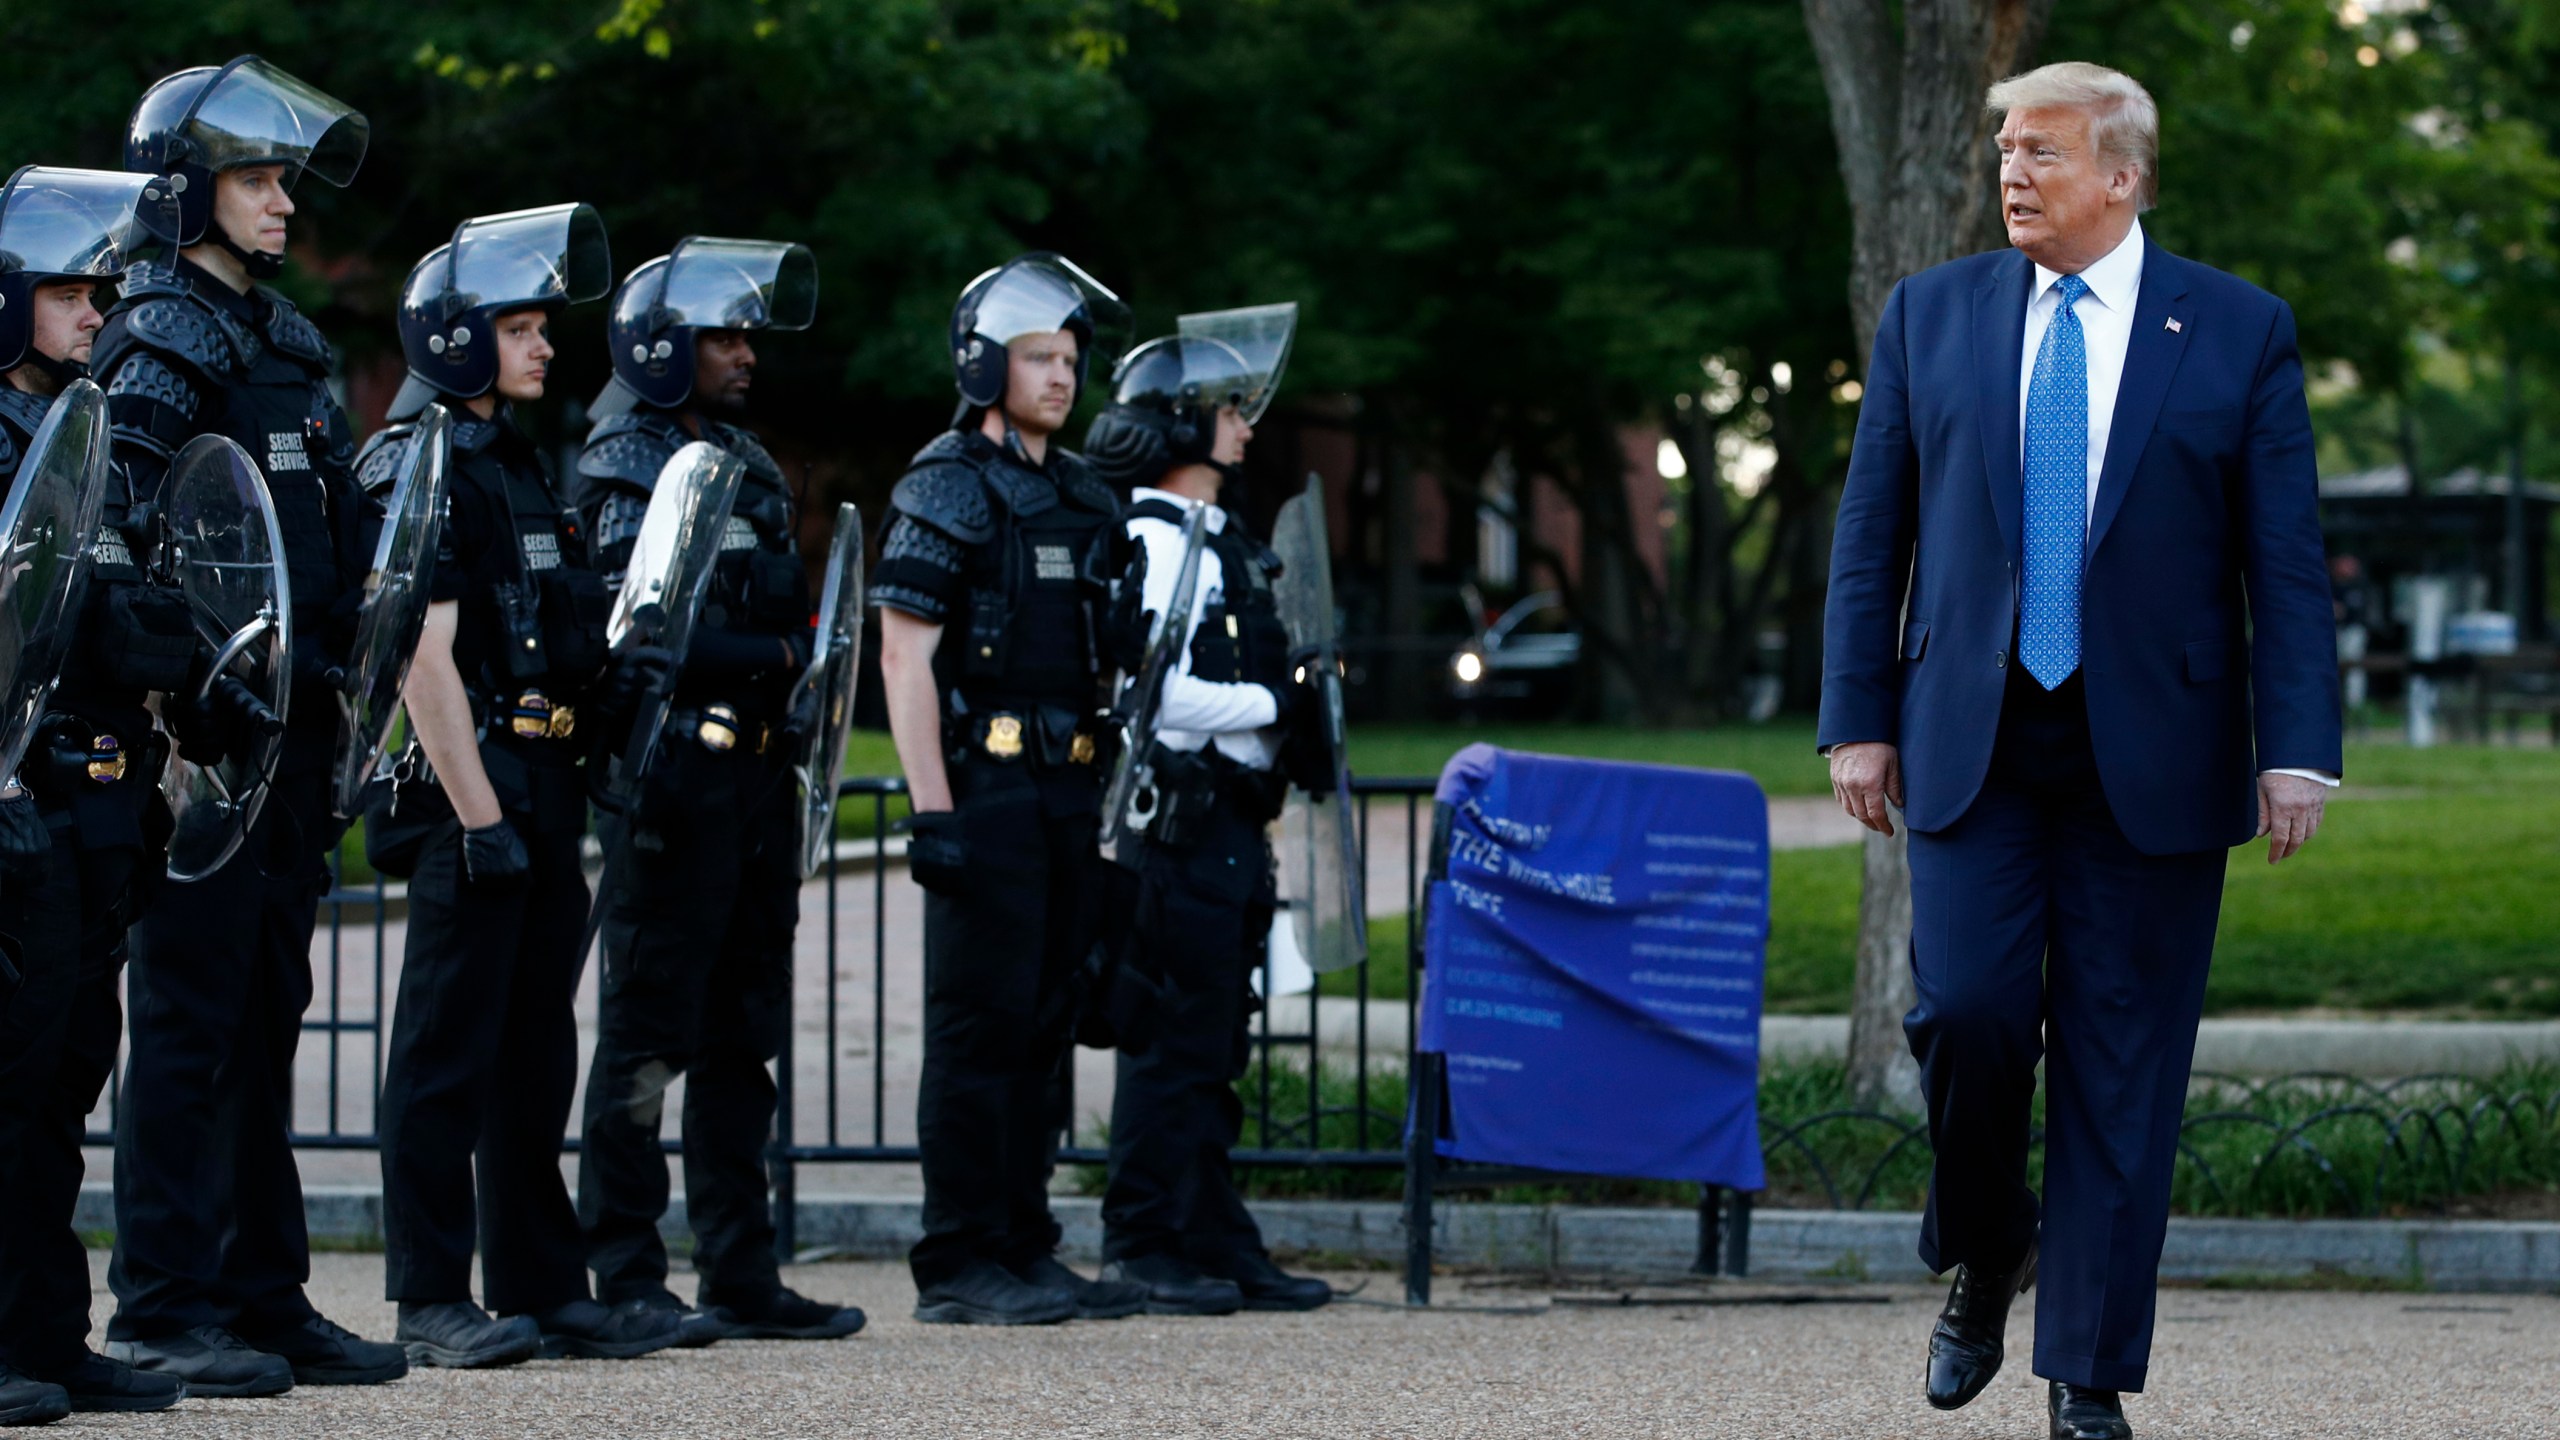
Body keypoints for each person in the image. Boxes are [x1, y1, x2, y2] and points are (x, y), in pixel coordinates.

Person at [1816, 63, 2340, 1440]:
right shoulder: (1933, 315)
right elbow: (1874, 533)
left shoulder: (2238, 329)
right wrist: (1855, 716)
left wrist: (2298, 746)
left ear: (2122, 174)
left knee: (2123, 1064)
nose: (2011, 170)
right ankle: (1990, 1244)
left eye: (2040, 149)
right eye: (2003, 145)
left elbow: (2283, 562)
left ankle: (2086, 1381)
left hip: (2155, 752)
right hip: (1969, 742)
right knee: (1969, 1014)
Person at [94, 55, 409, 1398]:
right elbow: (105, 537)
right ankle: (165, 1300)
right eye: (257, 178)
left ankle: (263, 1295)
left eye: (285, 181)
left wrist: (350, 666)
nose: (282, 204)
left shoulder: (282, 341)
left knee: (270, 1012)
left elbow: (328, 534)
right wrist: (187, 689)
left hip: (296, 736)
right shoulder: (155, 336)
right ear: (185, 191)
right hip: (197, 749)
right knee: (188, 1019)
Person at [363, 205, 685, 1368]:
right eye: (518, 326)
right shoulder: (424, 460)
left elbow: (548, 629)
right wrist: (477, 814)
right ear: (454, 337)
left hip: (542, 782)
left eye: (545, 325)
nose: (546, 346)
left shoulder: (516, 464)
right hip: (478, 791)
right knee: (446, 1055)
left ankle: (541, 1284)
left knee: (534, 1054)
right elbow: (420, 653)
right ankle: (430, 1298)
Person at [571, 237, 864, 1343]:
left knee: (746, 1035)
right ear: (659, 347)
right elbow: (637, 630)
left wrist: (789, 670)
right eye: (723, 337)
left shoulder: (743, 459)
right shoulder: (622, 463)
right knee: (649, 1033)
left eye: (748, 337)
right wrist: (769, 654)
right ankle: (628, 1270)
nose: (746, 355)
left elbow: (787, 619)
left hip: (754, 780)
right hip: (671, 780)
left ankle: (743, 1269)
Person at [870, 252, 1145, 1326]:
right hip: (983, 789)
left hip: (1069, 793)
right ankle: (957, 1259)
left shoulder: (1080, 491)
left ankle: (1025, 1245)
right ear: (986, 365)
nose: (1060, 376)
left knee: (1044, 1025)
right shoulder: (945, 480)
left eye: (1070, 358)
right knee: (978, 1033)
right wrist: (931, 808)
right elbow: (903, 658)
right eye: (1038, 356)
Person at [1080, 311, 1334, 1315]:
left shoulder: (1218, 543)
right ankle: (1142, 1239)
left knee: (1217, 1043)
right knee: (1173, 1044)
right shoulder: (1152, 541)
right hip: (1178, 833)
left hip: (1232, 829)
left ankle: (1212, 1232)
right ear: (1176, 423)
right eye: (1227, 409)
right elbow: (1151, 695)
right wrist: (1278, 708)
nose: (1243, 425)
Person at [0, 166, 189, 1423]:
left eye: (98, 287)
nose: (94, 311)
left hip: (101, 803)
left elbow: (130, 606)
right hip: (20, 799)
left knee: (64, 1083)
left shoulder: (94, 436)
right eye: (69, 290)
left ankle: (51, 1338)